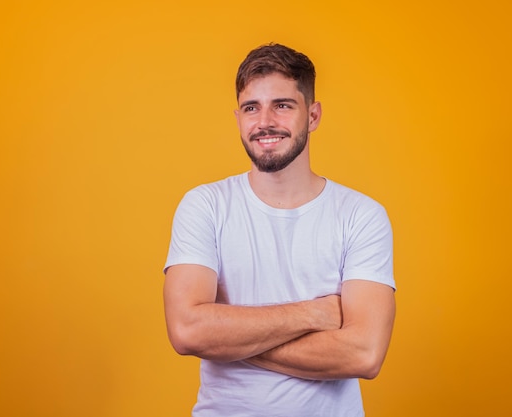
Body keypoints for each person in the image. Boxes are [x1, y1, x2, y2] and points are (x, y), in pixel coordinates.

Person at [163, 43, 396, 417]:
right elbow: (188, 331)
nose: (264, 121)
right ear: (237, 116)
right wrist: (313, 315)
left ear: (314, 115)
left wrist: (230, 337)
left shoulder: (361, 215)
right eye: (251, 107)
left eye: (283, 105)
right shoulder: (205, 205)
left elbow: (364, 354)